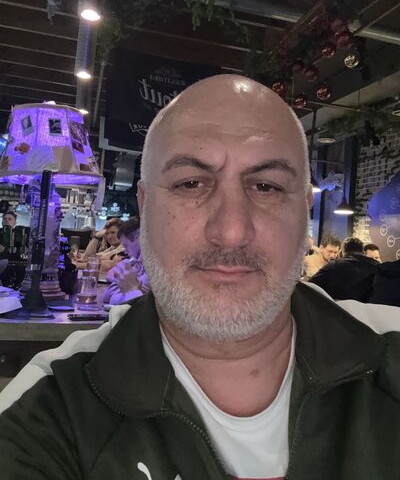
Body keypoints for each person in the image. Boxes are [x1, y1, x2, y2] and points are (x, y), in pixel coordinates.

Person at [1, 75, 400, 480]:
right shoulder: (50, 410)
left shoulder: (391, 353)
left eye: (266, 187)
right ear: (145, 206)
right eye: (191, 184)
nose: (231, 231)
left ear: (304, 211)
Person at [309, 236, 378, 302]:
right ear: (363, 251)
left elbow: (310, 286)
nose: (332, 255)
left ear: (342, 252)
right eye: (330, 251)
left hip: (337, 309)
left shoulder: (334, 265)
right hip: (369, 309)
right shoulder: (377, 266)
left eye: (335, 252)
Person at [102, 216, 149, 305]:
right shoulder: (136, 263)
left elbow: (115, 300)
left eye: (126, 245)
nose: (126, 251)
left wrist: (125, 284)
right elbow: (107, 296)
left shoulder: (151, 267)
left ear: (138, 238)